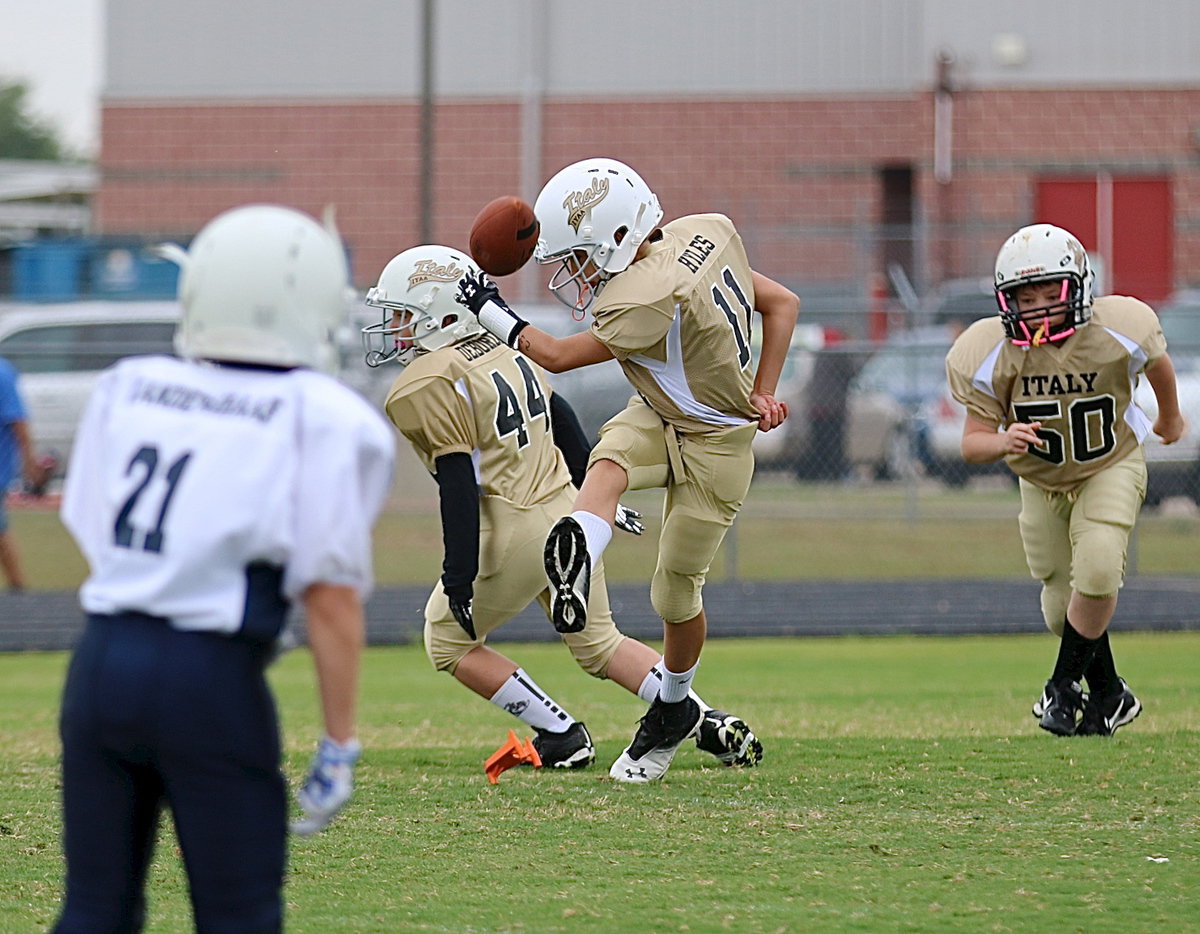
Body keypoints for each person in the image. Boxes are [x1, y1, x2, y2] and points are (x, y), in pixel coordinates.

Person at [53, 204, 395, 933]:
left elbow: (89, 525)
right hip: (208, 682)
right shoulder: (321, 414)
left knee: (94, 909)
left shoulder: (131, 386)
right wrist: (340, 740)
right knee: (240, 915)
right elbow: (330, 595)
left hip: (102, 665)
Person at [455, 158, 799, 782]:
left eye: (579, 257)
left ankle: (671, 708)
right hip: (663, 412)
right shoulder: (703, 233)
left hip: (717, 445)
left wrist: (491, 310)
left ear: (615, 238)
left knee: (673, 593)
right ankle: (577, 550)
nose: (574, 273)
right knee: (607, 461)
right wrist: (765, 387)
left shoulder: (644, 294)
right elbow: (782, 302)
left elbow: (557, 357)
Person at [361, 243, 763, 772]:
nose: (397, 331)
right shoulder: (505, 348)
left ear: (442, 312)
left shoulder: (429, 381)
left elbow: (457, 484)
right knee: (599, 645)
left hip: (514, 529)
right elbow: (564, 416)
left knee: (446, 640)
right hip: (566, 513)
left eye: (405, 317)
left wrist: (457, 576)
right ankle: (706, 718)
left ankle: (561, 732)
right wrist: (593, 498)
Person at [945, 223, 1184, 738]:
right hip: (1041, 482)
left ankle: (1060, 689)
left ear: (1078, 286)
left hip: (1109, 463)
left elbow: (1159, 364)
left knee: (1097, 573)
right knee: (1061, 610)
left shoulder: (1120, 324)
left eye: (1048, 293)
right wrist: (1003, 440)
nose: (1036, 307)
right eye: (1023, 297)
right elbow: (970, 442)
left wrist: (1170, 418)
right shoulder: (990, 350)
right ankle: (1110, 695)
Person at [0, 355, 45, 592]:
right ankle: (19, 589)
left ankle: (19, 589)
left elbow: (19, 423)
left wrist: (29, 463)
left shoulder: (2, 374)